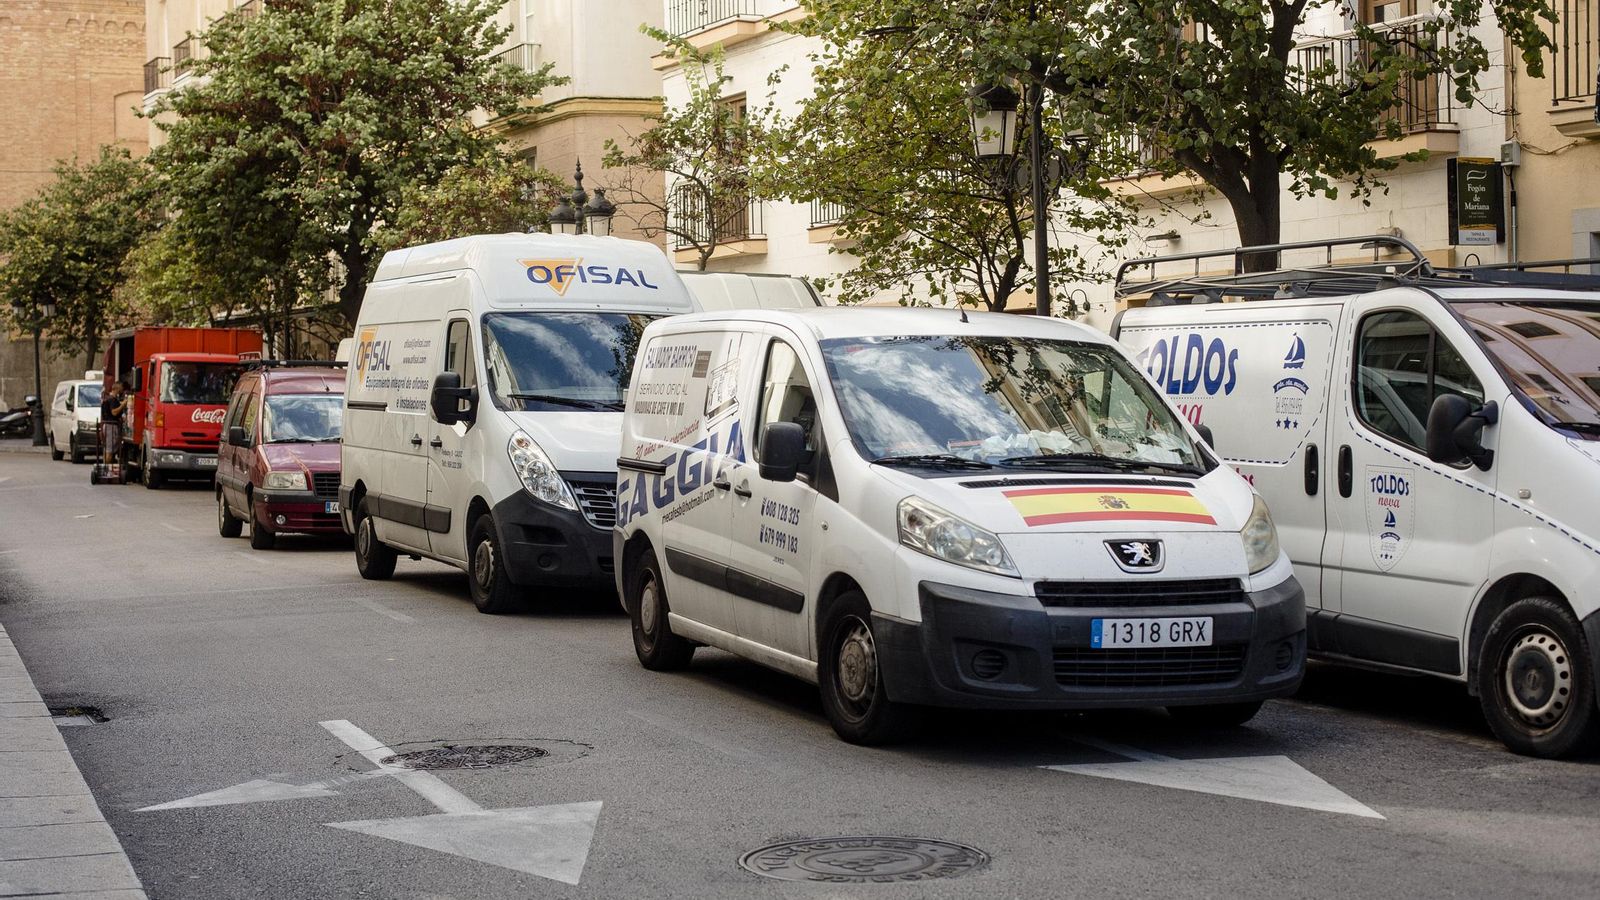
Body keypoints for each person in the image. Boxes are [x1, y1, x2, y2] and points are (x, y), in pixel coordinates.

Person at [101, 381, 128, 463]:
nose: (122, 391)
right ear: (117, 389)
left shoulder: (109, 399)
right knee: (109, 450)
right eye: (121, 389)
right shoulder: (112, 399)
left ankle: (106, 468)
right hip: (111, 426)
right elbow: (114, 412)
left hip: (108, 425)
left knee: (108, 449)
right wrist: (123, 405)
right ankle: (107, 470)